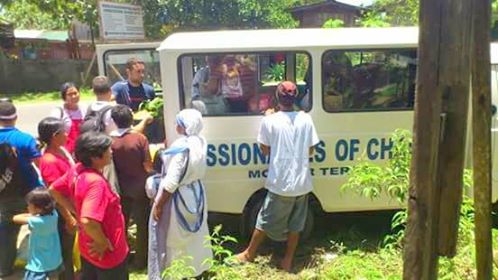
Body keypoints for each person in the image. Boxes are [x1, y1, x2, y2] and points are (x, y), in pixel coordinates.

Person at [236, 81, 319, 272]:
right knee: (296, 224)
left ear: (277, 98)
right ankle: (288, 260)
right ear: (296, 98)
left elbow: (264, 150)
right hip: (302, 182)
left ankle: (249, 253)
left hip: (281, 182)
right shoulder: (306, 119)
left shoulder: (269, 120)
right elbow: (312, 149)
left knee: (264, 219)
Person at [50, 132, 129, 280]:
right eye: (107, 150)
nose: (111, 152)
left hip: (88, 248)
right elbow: (88, 221)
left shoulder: (77, 169)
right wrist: (102, 241)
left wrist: (76, 211)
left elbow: (54, 190)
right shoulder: (96, 184)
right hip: (107, 254)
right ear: (95, 157)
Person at [148, 109, 212, 279]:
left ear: (184, 126)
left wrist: (159, 205)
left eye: (178, 122)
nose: (175, 125)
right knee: (196, 235)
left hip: (179, 196)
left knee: (175, 237)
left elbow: (171, 181)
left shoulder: (181, 147)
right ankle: (198, 268)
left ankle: (179, 272)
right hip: (196, 192)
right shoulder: (200, 142)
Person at [0, 99, 42, 277]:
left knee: (7, 231)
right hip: (30, 191)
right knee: (39, 226)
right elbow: (40, 165)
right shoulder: (25, 139)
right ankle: (39, 262)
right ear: (16, 117)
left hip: (4, 193)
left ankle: (4, 268)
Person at [110, 105, 153, 269]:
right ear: (131, 119)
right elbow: (147, 165)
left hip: (120, 188)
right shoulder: (140, 139)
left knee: (122, 224)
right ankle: (141, 260)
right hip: (140, 188)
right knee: (142, 225)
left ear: (114, 121)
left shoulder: (110, 141)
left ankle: (122, 257)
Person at [37, 117, 77, 280]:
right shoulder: (49, 161)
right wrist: (68, 218)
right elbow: (55, 193)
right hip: (63, 212)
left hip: (71, 206)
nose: (67, 134)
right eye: (64, 132)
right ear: (55, 136)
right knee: (65, 252)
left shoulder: (61, 151)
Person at [12, 189, 63, 280]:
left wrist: (31, 215)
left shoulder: (37, 221)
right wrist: (34, 213)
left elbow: (15, 218)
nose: (27, 207)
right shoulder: (54, 215)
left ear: (39, 209)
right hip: (54, 262)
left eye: (29, 205)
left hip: (38, 265)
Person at [50, 82, 86, 154]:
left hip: (82, 150)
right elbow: (51, 129)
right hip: (65, 151)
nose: (73, 96)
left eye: (75, 93)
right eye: (70, 94)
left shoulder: (84, 109)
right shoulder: (59, 111)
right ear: (64, 96)